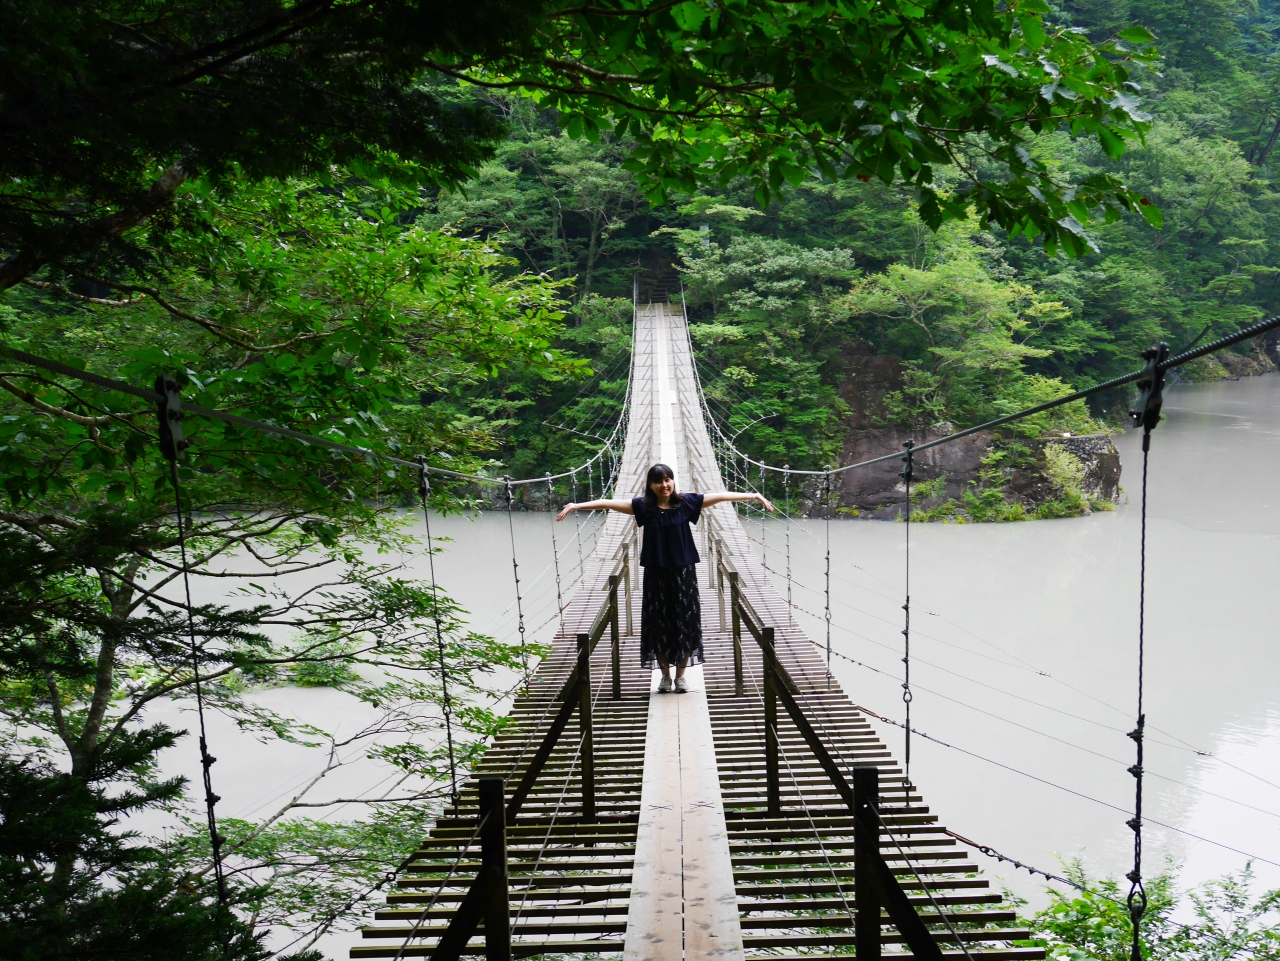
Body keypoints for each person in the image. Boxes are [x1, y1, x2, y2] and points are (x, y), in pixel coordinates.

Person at [556, 463, 773, 693]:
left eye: (668, 479)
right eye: (659, 481)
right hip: (656, 575)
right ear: (650, 485)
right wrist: (576, 505)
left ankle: (681, 676)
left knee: (685, 622)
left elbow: (720, 496)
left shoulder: (686, 503)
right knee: (658, 624)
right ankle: (664, 677)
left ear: (673, 481)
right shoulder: (643, 507)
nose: (664, 485)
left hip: (683, 574)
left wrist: (754, 495)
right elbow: (608, 504)